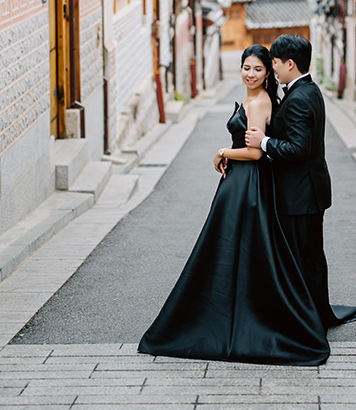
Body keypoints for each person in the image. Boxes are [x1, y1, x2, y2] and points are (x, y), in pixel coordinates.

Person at [138, 44, 331, 366]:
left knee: (241, 248)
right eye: (246, 68)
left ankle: (262, 312)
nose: (251, 74)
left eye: (258, 69)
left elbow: (255, 152)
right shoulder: (262, 97)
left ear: (271, 70)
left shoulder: (261, 102)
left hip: (248, 183)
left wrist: (223, 152)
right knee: (241, 249)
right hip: (242, 182)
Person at [245, 34, 356, 330]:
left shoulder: (300, 97)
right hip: (309, 192)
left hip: (299, 195)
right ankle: (314, 313)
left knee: (301, 260)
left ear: (290, 64)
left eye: (274, 64)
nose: (272, 69)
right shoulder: (308, 89)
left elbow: (298, 149)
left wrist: (263, 141)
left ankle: (304, 320)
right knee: (312, 257)